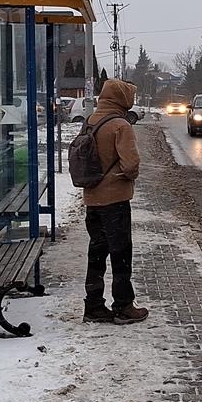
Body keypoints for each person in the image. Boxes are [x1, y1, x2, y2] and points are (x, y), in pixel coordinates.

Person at [82, 78, 149, 325]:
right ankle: (123, 306)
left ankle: (94, 305)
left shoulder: (91, 121)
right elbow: (131, 164)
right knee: (121, 254)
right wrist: (125, 175)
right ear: (122, 99)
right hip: (115, 200)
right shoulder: (120, 125)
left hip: (92, 199)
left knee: (97, 252)